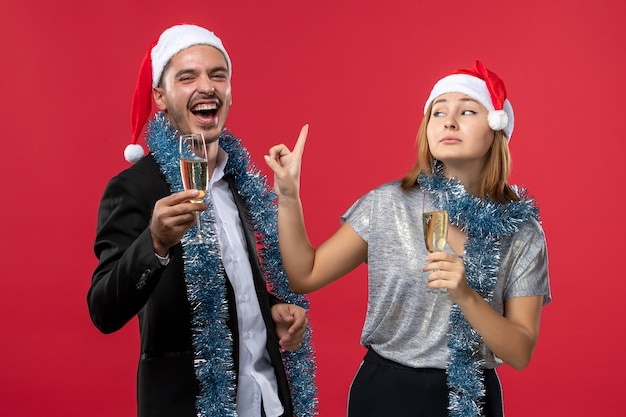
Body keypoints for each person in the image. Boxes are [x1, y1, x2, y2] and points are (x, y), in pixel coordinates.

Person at [265, 60, 551, 417]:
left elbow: (520, 352)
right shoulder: (388, 204)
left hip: (472, 398)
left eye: (467, 111)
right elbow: (303, 274)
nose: (449, 121)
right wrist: (289, 196)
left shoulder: (520, 230)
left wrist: (465, 295)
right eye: (438, 112)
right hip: (388, 395)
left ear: (496, 129)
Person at [87, 24, 317, 417]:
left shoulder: (239, 182)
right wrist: (154, 243)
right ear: (160, 96)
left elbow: (234, 286)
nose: (207, 86)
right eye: (187, 77)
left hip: (268, 403)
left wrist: (273, 309)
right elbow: (103, 310)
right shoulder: (134, 189)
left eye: (218, 75)